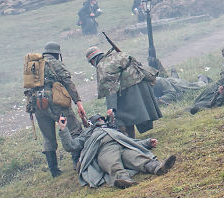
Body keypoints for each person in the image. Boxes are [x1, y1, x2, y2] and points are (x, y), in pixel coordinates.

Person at [58, 113, 176, 189]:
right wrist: (63, 130)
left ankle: (158, 167)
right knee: (113, 163)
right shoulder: (87, 134)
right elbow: (71, 146)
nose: (100, 120)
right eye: (97, 119)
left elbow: (130, 141)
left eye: (101, 118)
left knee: (135, 156)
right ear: (91, 124)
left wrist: (147, 142)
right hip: (104, 150)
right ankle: (124, 180)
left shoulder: (114, 130)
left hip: (122, 145)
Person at [26, 42, 87, 177]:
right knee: (74, 129)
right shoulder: (56, 64)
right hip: (56, 103)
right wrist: (78, 102)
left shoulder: (34, 65)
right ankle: (77, 162)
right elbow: (68, 83)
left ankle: (54, 171)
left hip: (38, 106)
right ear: (57, 54)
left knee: (48, 138)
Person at [85, 45, 163, 138]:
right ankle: (130, 137)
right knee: (129, 115)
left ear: (93, 61)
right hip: (141, 84)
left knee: (120, 116)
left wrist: (111, 107)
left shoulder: (102, 66)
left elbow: (110, 87)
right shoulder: (118, 55)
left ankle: (127, 138)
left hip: (130, 89)